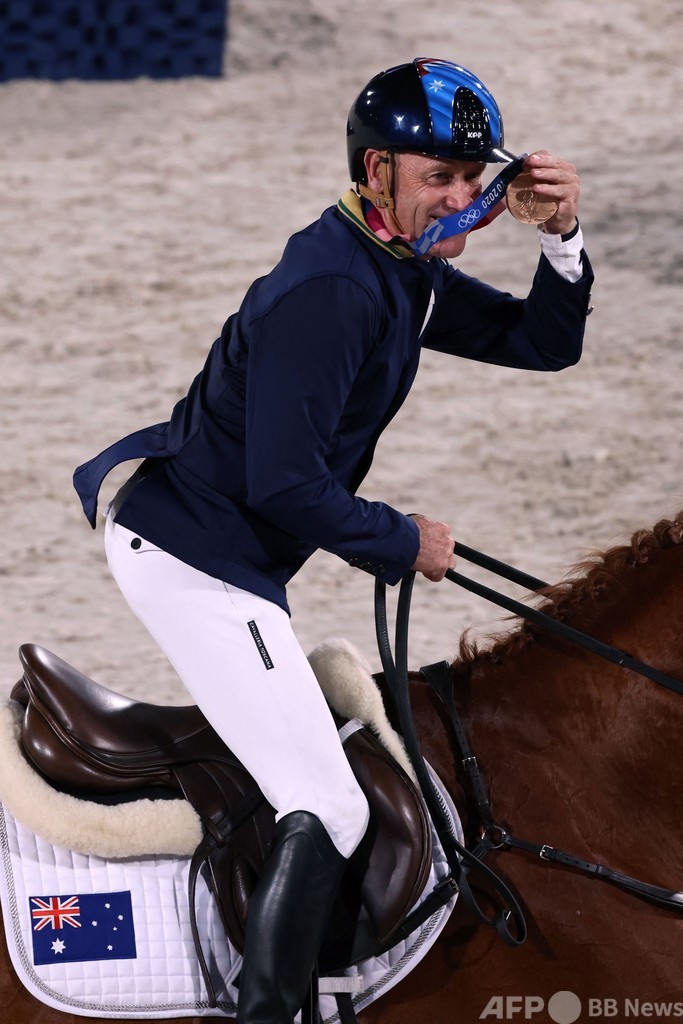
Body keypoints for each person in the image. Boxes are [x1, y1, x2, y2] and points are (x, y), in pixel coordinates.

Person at [73, 57, 594, 1024]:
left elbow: (541, 342)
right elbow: (283, 483)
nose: (461, 197)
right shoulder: (333, 292)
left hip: (235, 556)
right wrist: (400, 540)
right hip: (193, 563)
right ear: (374, 172)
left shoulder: (400, 267)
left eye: (471, 177)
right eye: (437, 176)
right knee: (330, 802)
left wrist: (559, 237)